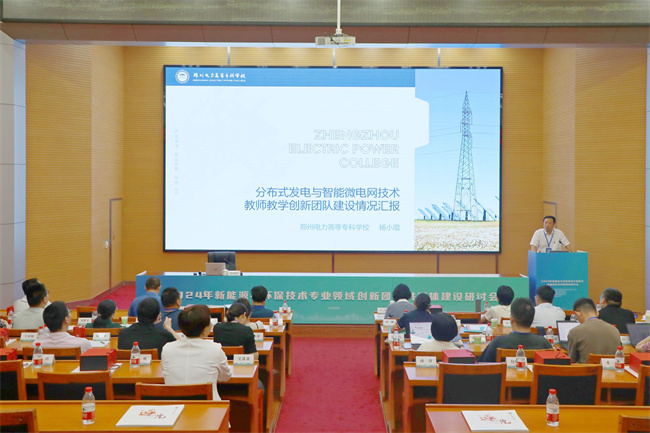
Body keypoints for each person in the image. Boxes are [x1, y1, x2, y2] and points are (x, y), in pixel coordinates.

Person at [161, 305, 232, 400]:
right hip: (208, 406)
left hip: (175, 405)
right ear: (205, 329)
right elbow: (225, 377)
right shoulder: (215, 349)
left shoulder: (167, 349)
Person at [478, 298, 553, 362]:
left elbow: (482, 367)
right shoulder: (544, 344)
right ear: (532, 319)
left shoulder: (498, 342)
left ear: (511, 319)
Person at [568, 297, 620, 364]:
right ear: (597, 313)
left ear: (578, 313)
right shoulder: (615, 330)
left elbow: (571, 361)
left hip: (587, 370)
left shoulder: (575, 332)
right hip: (612, 370)